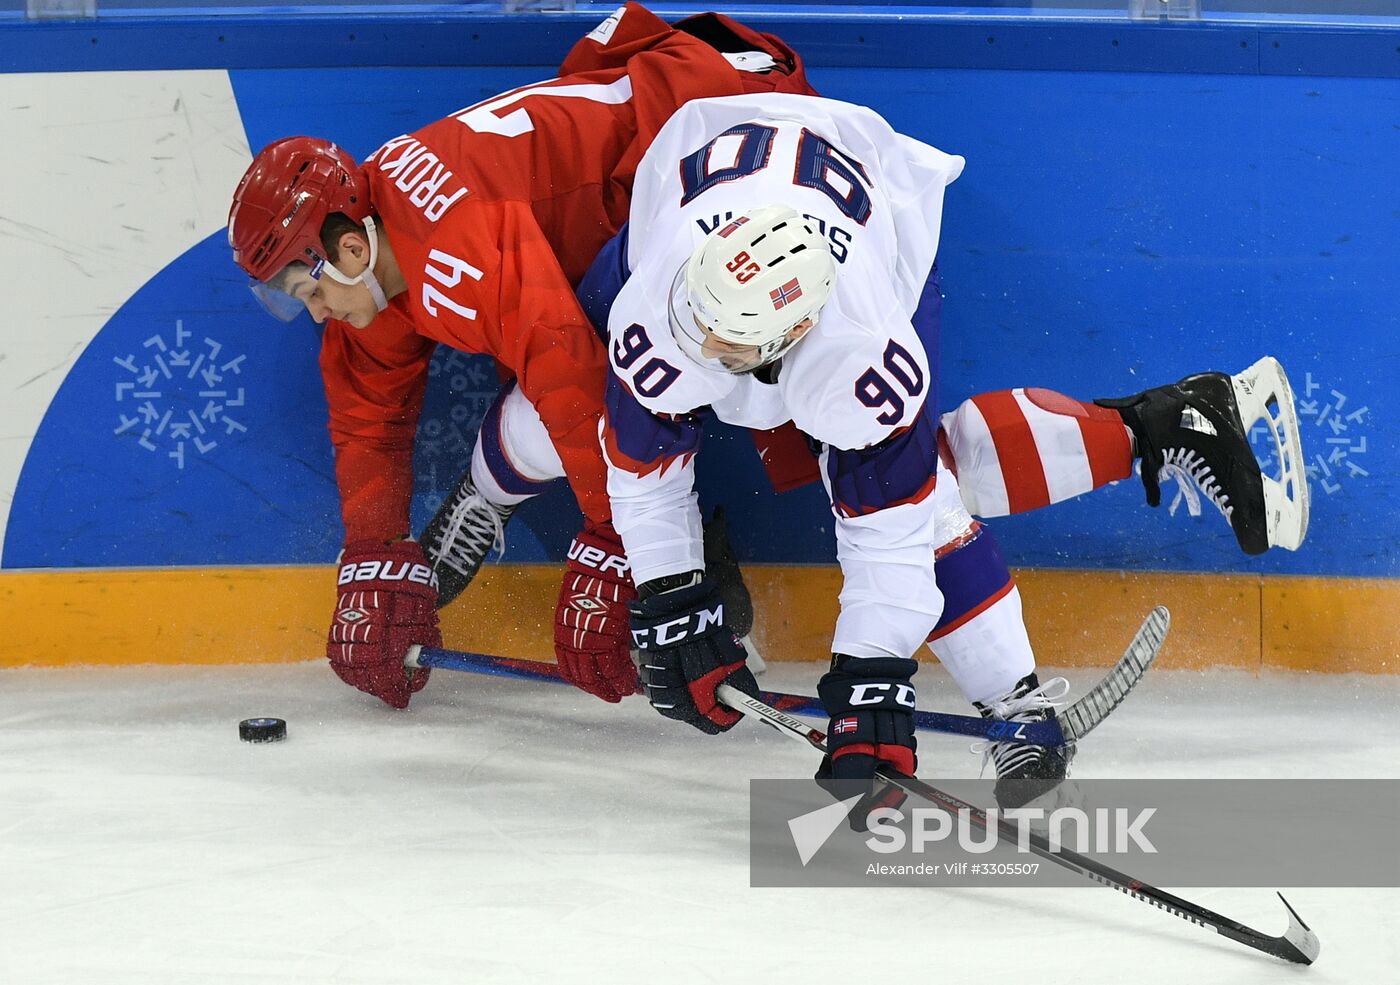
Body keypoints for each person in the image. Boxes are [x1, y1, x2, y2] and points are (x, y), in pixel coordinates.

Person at [589, 92, 1308, 807]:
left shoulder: (860, 348)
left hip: (874, 214)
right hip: (711, 178)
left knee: (919, 494)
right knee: (910, 472)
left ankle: (1016, 698)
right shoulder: (666, 299)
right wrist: (672, 594)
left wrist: (872, 673)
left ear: (790, 337)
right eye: (700, 320)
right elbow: (644, 466)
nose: (698, 343)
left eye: (726, 341)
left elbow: (890, 532)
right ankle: (1158, 432)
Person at [225, 4, 816, 709]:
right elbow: (368, 415)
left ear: (348, 250)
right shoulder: (374, 240)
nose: (313, 314)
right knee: (622, 374)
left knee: (700, 362)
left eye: (304, 292)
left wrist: (614, 543)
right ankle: (675, 566)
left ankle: (689, 575)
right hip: (667, 150)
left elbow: (573, 380)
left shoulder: (454, 248)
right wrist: (371, 549)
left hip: (741, 128)